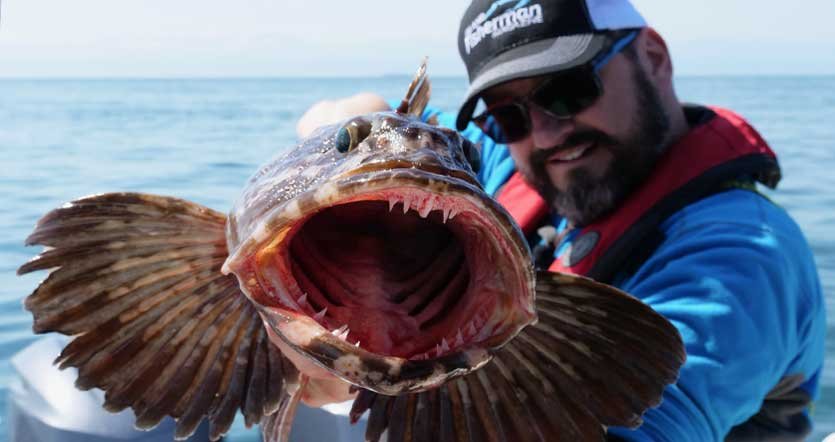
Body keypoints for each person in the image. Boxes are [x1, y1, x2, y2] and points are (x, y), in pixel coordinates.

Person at [294, 0, 826, 440]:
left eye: (568, 91)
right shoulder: (500, 160)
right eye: (508, 115)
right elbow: (365, 118)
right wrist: (342, 134)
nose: (546, 135)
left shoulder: (742, 256)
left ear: (654, 57)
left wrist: (386, 373)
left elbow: (632, 426)